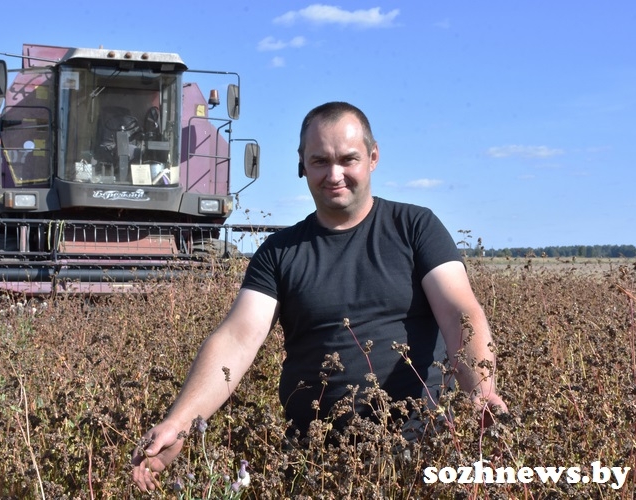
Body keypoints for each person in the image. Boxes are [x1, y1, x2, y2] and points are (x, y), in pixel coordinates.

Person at [131, 101, 507, 492]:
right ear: (301, 164)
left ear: (373, 157)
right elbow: (237, 340)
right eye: (320, 161)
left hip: (416, 454)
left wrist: (482, 393)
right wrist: (179, 422)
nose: (334, 174)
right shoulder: (279, 253)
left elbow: (459, 312)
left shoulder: (416, 228)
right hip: (316, 462)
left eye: (348, 159)